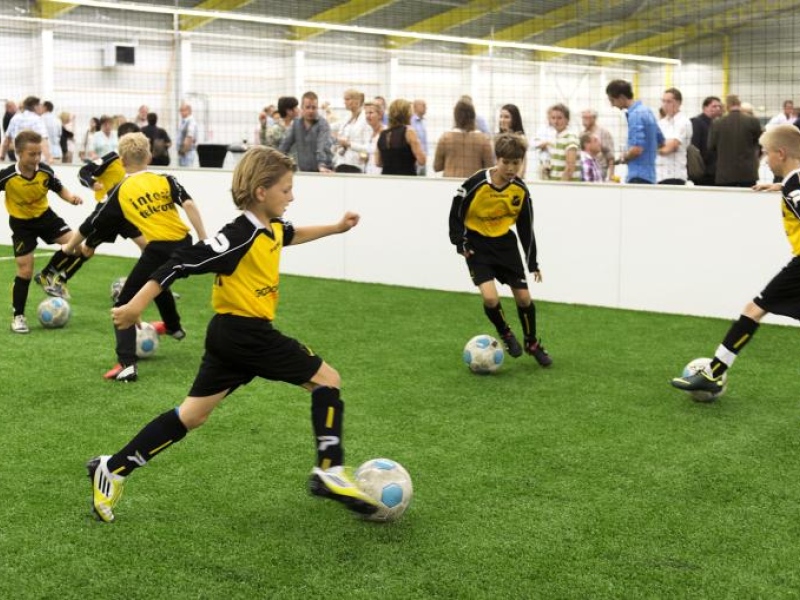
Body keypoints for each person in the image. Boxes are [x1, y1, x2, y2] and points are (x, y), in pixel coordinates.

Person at [86, 146, 379, 523]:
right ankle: (330, 470)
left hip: (230, 336)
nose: (292, 197)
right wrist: (136, 306)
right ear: (261, 191)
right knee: (328, 380)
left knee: (191, 416)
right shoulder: (238, 235)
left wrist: (336, 227)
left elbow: (291, 234)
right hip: (246, 334)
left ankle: (112, 468)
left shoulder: (269, 227)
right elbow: (179, 263)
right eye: (286, 190)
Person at [62, 132, 207, 382]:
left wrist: (69, 247)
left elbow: (91, 224)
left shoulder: (120, 191)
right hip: (184, 244)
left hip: (159, 249)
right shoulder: (166, 179)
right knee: (157, 284)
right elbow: (190, 205)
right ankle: (173, 328)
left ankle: (126, 364)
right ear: (149, 156)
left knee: (123, 304)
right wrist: (203, 238)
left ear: (120, 161)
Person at [671, 125, 800, 396]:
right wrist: (778, 185)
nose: (765, 159)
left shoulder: (794, 186)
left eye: (766, 153)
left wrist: (785, 188)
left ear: (781, 153)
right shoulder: (793, 182)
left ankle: (713, 372)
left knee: (754, 309)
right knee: (755, 308)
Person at [448, 132, 552, 367]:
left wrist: (532, 262)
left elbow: (526, 228)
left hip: (505, 245)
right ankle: (505, 332)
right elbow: (456, 214)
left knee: (524, 299)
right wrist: (460, 243)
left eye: (516, 163)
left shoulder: (520, 190)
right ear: (497, 160)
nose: (510, 168)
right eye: (506, 162)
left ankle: (532, 342)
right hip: (477, 246)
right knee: (490, 298)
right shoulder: (476, 183)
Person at [0, 130, 84, 333]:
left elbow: (59, 188)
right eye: (32, 154)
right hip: (21, 225)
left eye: (39, 153)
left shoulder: (45, 171)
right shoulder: (8, 176)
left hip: (46, 219)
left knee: (78, 247)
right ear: (19, 152)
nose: (37, 158)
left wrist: (71, 198)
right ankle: (18, 316)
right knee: (25, 270)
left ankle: (48, 275)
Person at [606, 79, 664, 184]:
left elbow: (637, 149)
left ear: (622, 97)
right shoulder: (648, 111)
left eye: (612, 100)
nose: (612, 105)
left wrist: (624, 157)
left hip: (638, 176)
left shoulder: (635, 115)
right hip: (651, 176)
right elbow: (661, 141)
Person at [708, 94, 762, 187]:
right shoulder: (753, 121)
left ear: (726, 106)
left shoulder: (717, 123)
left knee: (726, 201)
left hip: (725, 174)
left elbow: (711, 146)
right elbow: (761, 143)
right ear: (739, 104)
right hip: (748, 173)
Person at [432, 98, 493, 178]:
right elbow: (489, 168)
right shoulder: (483, 140)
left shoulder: (445, 138)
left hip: (449, 183)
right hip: (473, 185)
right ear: (473, 116)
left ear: (455, 116)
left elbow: (437, 167)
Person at [279, 91, 333, 172]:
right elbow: (285, 145)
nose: (311, 110)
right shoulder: (296, 123)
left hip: (324, 170)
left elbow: (322, 146)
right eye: (308, 107)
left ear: (317, 108)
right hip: (304, 172)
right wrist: (277, 161)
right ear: (302, 107)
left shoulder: (323, 124)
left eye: (314, 107)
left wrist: (321, 164)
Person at [375, 98, 426, 176]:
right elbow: (422, 160)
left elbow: (378, 163)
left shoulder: (382, 133)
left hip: (386, 178)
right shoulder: (409, 132)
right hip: (406, 179)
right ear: (407, 114)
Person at [656, 87, 693, 185]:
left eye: (669, 101)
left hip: (675, 175)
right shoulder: (660, 123)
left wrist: (657, 147)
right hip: (658, 175)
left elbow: (669, 148)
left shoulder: (684, 122)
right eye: (663, 101)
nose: (665, 105)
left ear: (679, 103)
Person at [2, 96, 52, 164]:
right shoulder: (37, 119)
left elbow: (6, 140)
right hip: (36, 160)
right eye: (40, 105)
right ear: (35, 107)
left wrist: (2, 156)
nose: (41, 108)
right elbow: (43, 140)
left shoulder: (15, 118)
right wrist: (49, 158)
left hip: (19, 158)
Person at [333, 88, 371, 173]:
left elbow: (367, 147)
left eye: (347, 99)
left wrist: (349, 144)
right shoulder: (346, 118)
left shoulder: (365, 120)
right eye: (344, 99)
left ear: (357, 101)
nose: (344, 102)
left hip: (355, 165)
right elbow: (331, 127)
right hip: (340, 163)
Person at [690, 96, 723, 186]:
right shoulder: (697, 122)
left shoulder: (718, 124)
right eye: (714, 106)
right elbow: (694, 146)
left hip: (716, 171)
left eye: (719, 106)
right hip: (704, 170)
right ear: (705, 107)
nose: (717, 108)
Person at [547, 103, 581, 182]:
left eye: (559, 118)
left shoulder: (570, 137)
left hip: (567, 186)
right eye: (553, 118)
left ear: (567, 119)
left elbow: (570, 168)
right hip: (556, 184)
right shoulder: (557, 137)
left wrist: (560, 187)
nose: (556, 121)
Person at [581, 109, 615, 181]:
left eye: (587, 118)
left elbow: (611, 157)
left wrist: (611, 176)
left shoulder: (603, 133)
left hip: (600, 168)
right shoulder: (582, 134)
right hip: (586, 167)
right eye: (583, 118)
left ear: (594, 118)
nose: (584, 120)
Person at [498, 103, 527, 177]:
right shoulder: (497, 138)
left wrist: (516, 181)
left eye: (506, 117)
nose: (502, 120)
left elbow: (523, 165)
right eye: (501, 116)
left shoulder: (521, 139)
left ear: (514, 120)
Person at [363, 100, 385, 175]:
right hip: (368, 173)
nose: (368, 116)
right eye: (366, 113)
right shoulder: (368, 132)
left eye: (371, 113)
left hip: (381, 174)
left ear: (380, 115)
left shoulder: (385, 133)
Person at [177, 102, 198, 167]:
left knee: (186, 172)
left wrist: (183, 151)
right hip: (184, 153)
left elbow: (189, 137)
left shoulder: (190, 122)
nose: (181, 112)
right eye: (180, 111)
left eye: (183, 110)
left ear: (189, 111)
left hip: (187, 153)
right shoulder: (184, 121)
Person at [411, 99, 428, 176]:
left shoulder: (422, 122)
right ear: (415, 107)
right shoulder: (411, 121)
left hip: (423, 158)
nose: (426, 108)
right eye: (423, 105)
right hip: (415, 159)